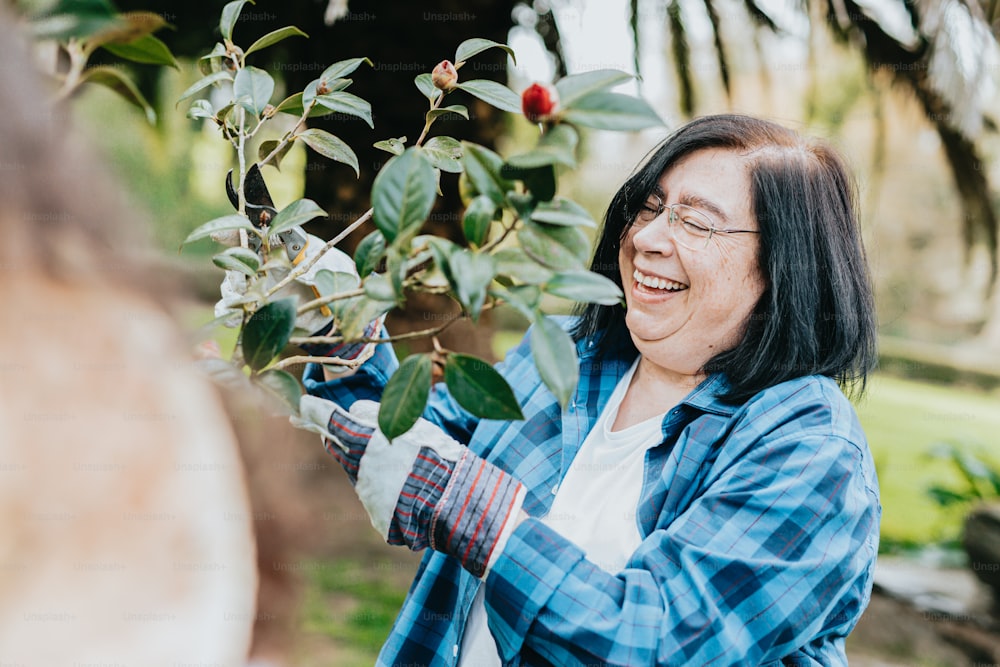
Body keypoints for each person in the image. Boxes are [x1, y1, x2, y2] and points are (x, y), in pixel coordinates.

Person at [297, 113, 881, 666]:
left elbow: (655, 643)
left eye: (696, 221)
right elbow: (410, 448)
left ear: (786, 265)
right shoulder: (569, 354)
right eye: (650, 207)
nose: (648, 237)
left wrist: (475, 513)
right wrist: (336, 328)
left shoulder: (812, 452)